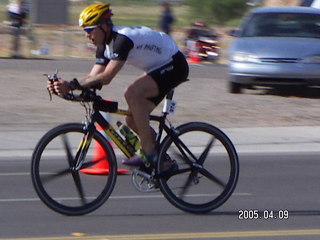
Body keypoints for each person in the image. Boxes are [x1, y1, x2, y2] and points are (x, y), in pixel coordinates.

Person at [47, 3, 189, 167]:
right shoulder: (103, 47)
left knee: (132, 93)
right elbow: (94, 77)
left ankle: (148, 151)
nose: (87, 35)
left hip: (175, 65)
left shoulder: (122, 40)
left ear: (104, 27)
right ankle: (162, 162)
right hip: (158, 68)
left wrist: (71, 85)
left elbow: (106, 77)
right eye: (85, 31)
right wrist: (62, 89)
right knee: (132, 121)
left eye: (89, 30)